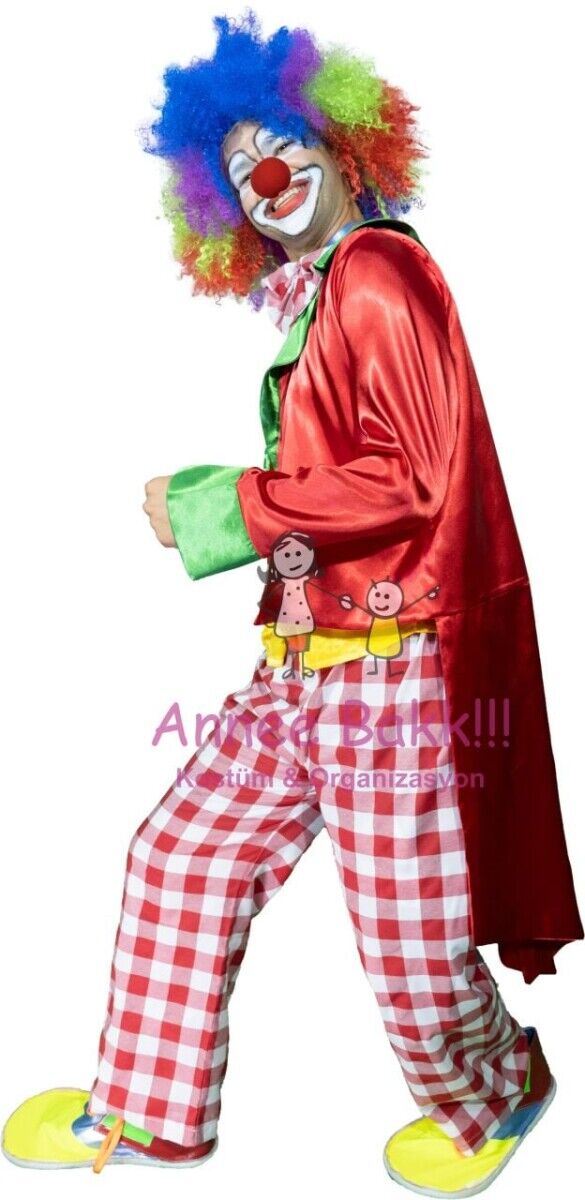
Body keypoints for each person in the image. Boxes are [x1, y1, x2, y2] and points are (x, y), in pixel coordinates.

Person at [3, 13, 582, 1195]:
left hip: (390, 669)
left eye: (280, 146)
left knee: (410, 948)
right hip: (306, 661)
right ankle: (149, 1112)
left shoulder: (378, 271)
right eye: (238, 171)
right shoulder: (325, 293)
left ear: (341, 139)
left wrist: (224, 506)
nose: (264, 178)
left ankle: (497, 1088)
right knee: (182, 856)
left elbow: (410, 479)